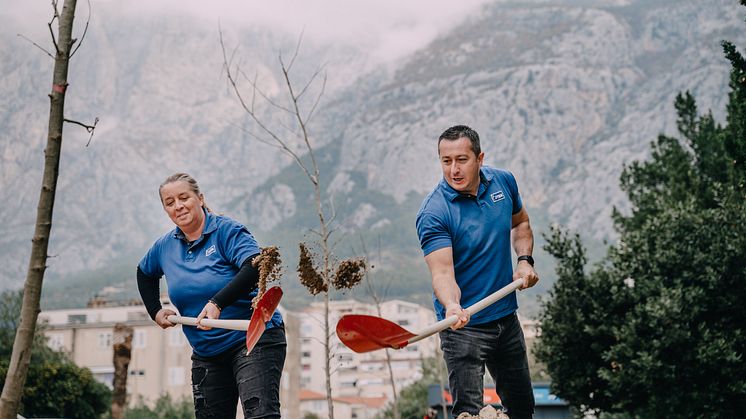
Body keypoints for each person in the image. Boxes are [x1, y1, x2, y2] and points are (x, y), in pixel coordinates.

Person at [136, 173, 286, 419]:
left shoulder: (227, 231)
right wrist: (155, 310)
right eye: (170, 202)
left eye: (184, 198)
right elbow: (144, 273)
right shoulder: (164, 247)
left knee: (260, 415)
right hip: (207, 352)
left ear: (200, 198)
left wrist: (217, 303)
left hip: (254, 339)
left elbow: (254, 264)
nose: (178, 206)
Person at [416, 125, 539, 418]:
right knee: (469, 414)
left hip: (506, 319)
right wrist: (452, 305)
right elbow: (443, 274)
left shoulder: (503, 182)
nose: (454, 170)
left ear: (480, 158)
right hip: (464, 328)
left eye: (462, 160)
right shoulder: (434, 212)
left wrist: (524, 260)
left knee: (523, 409)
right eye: (446, 161)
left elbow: (521, 223)